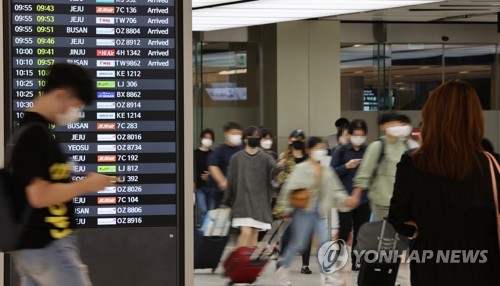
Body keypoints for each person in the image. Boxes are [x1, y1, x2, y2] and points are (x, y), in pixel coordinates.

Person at [10, 63, 116, 286]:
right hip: (49, 245)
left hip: (36, 249)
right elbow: (38, 195)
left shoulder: (33, 131)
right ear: (60, 95)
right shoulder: (35, 135)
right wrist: (85, 185)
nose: (75, 113)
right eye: (76, 106)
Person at [388, 79, 500, 286]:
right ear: (476, 118)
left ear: (431, 116)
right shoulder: (492, 165)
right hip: (485, 264)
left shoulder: (412, 164)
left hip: (433, 264)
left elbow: (398, 218)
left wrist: (421, 228)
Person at [275, 137, 358, 286]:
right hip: (304, 210)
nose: (321, 151)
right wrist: (285, 208)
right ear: (309, 150)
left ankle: (328, 275)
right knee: (298, 243)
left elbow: (336, 190)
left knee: (325, 243)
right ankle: (283, 267)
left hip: (320, 210)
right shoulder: (301, 169)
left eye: (323, 148)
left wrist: (346, 200)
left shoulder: (327, 171)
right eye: (318, 148)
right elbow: (288, 188)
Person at [221, 126, 275, 247]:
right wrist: (226, 201)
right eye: (252, 136)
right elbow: (231, 180)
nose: (255, 139)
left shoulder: (267, 159)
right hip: (242, 202)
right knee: (245, 232)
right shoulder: (236, 158)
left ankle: (249, 262)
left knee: (254, 233)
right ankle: (241, 259)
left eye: (257, 137)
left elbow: (274, 176)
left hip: (260, 203)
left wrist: (280, 167)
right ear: (245, 139)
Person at [352, 111, 410, 221]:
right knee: (385, 234)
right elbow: (365, 172)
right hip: (382, 202)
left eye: (397, 124)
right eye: (391, 124)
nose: (396, 127)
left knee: (400, 236)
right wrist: (356, 194)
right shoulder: (377, 146)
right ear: (383, 127)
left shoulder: (405, 146)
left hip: (401, 202)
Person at [330, 119, 370, 271]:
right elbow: (331, 173)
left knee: (361, 231)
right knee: (345, 229)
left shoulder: (368, 151)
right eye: (356, 135)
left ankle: (357, 260)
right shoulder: (341, 151)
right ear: (350, 134)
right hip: (344, 199)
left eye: (362, 135)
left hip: (363, 199)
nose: (358, 138)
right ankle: (339, 257)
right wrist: (346, 166)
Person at [273, 129, 314, 274]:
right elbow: (277, 181)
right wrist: (280, 168)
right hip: (290, 200)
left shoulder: (309, 158)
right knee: (288, 233)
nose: (297, 142)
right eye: (294, 139)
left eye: (300, 139)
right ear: (290, 141)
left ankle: (305, 264)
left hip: (306, 199)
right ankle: (282, 260)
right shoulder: (284, 157)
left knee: (307, 233)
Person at [207, 121, 243, 207]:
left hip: (237, 192)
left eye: (239, 134)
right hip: (219, 193)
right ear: (226, 134)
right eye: (234, 133)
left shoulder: (241, 149)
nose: (237, 136)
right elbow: (213, 166)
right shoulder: (220, 150)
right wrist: (222, 181)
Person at [194, 128, 215, 226]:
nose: (208, 140)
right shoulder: (195, 153)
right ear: (201, 139)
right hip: (199, 186)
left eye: (210, 138)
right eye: (206, 137)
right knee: (203, 209)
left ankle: (207, 231)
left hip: (211, 186)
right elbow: (192, 169)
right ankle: (202, 231)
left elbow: (216, 169)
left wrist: (210, 175)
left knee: (210, 210)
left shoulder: (213, 154)